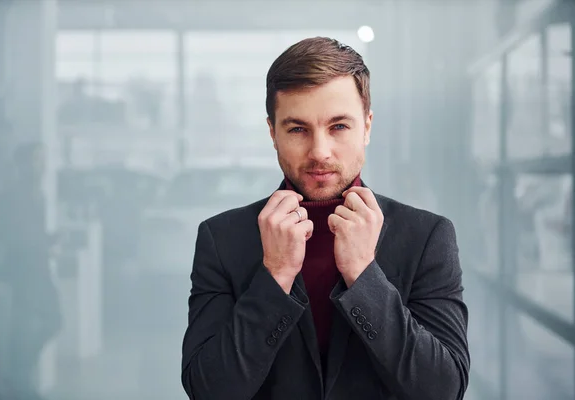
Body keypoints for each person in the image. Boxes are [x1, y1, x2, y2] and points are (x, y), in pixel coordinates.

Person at [181, 37, 469, 400]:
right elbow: (208, 391)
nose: (319, 151)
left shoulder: (427, 237)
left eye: (338, 127)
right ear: (273, 133)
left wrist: (365, 275)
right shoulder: (221, 239)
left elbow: (444, 389)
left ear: (366, 126)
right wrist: (275, 274)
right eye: (297, 129)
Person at [0, 142, 62, 400]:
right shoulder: (13, 196)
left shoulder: (37, 194)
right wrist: (41, 242)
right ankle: (17, 376)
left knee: (52, 321)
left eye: (43, 160)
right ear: (23, 164)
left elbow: (31, 234)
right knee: (24, 325)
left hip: (38, 267)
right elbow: (12, 236)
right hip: (24, 270)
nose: (42, 166)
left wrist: (48, 239)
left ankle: (17, 372)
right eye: (36, 160)